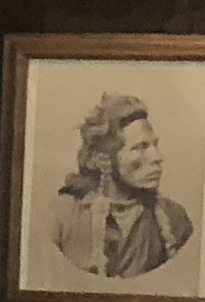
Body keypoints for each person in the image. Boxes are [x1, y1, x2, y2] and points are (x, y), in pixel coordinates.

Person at [50, 92, 194, 281]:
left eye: (154, 145)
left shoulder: (174, 219)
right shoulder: (63, 215)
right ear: (104, 158)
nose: (157, 157)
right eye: (140, 147)